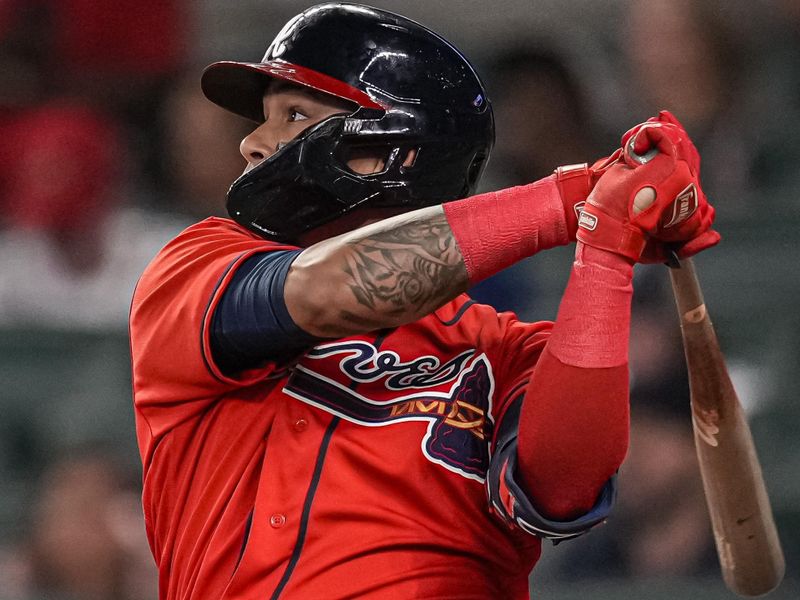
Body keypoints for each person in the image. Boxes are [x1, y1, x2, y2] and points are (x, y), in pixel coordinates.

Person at [129, 4, 719, 599]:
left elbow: (562, 488)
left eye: (294, 115)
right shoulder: (196, 263)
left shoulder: (507, 349)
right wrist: (577, 197)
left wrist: (610, 243)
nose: (253, 144)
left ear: (394, 150)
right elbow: (329, 290)